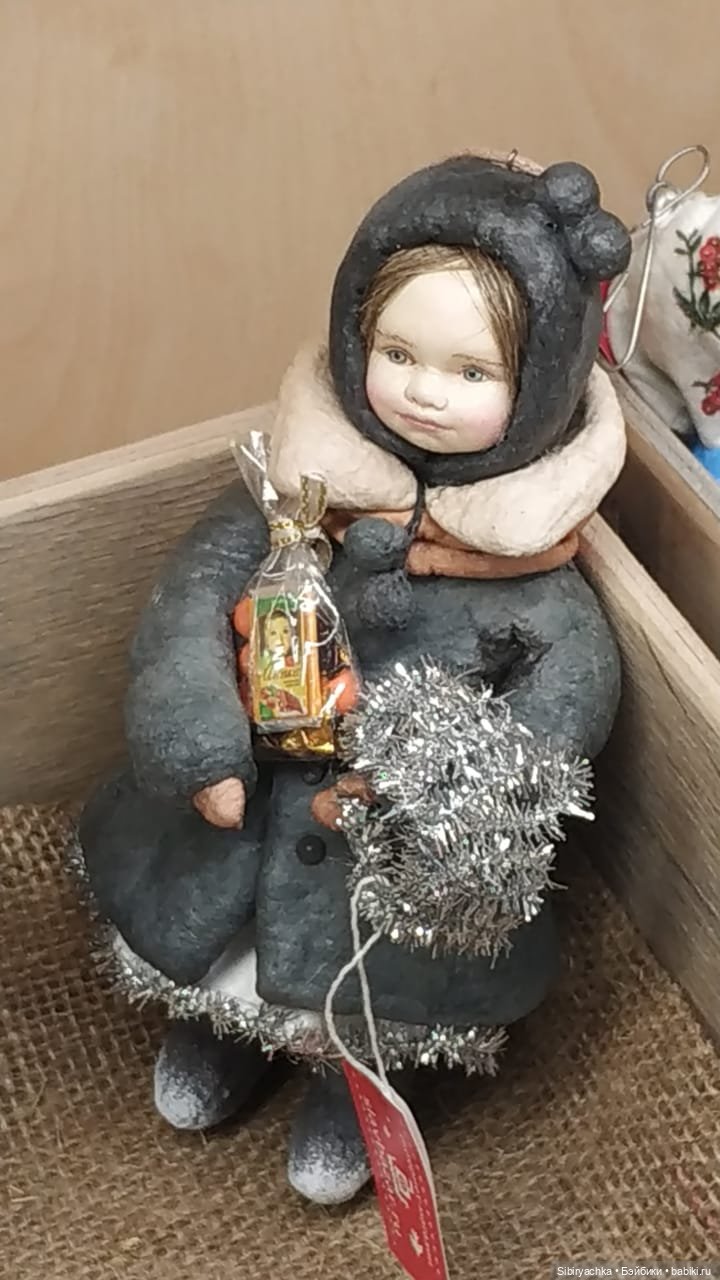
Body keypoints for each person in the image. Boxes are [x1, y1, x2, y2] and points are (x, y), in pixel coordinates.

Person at [77, 151, 630, 1205]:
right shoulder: (291, 499)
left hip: (383, 881)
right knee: (213, 926)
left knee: (378, 976)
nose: (424, 391)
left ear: (543, 383)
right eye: (398, 352)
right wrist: (198, 732)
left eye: (473, 373)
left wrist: (421, 794)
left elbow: (565, 705)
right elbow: (187, 607)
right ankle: (221, 1027)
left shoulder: (536, 583)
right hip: (237, 818)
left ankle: (355, 1082)